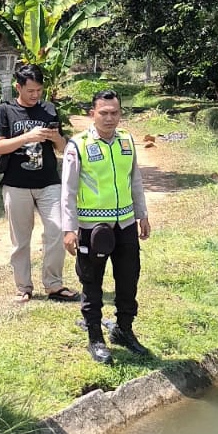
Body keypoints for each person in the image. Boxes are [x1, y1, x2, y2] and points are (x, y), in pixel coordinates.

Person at [61, 89, 152, 365]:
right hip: (92, 228)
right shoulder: (78, 145)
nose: (109, 118)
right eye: (104, 113)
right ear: (93, 114)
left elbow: (135, 180)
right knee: (92, 283)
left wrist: (142, 214)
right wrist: (69, 229)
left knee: (128, 279)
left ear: (120, 114)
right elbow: (67, 192)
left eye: (114, 113)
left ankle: (124, 330)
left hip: (124, 224)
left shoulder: (127, 141)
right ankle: (95, 338)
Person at [0, 64, 76, 305]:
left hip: (48, 181)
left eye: (39, 90)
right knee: (20, 238)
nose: (35, 95)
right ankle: (23, 287)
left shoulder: (48, 109)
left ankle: (54, 284)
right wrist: (27, 137)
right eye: (30, 91)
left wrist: (54, 137)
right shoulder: (5, 111)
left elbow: (62, 148)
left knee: (56, 229)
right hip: (16, 184)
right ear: (18, 87)